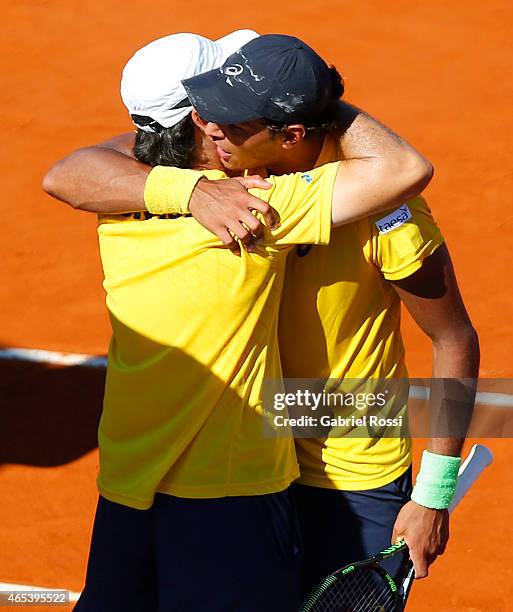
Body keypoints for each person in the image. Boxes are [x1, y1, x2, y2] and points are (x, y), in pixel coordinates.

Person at [44, 33, 434, 611]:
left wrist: (188, 188)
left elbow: (65, 173)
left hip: (127, 488)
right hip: (236, 494)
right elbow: (405, 167)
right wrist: (318, 101)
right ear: (205, 123)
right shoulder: (262, 208)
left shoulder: (115, 197)